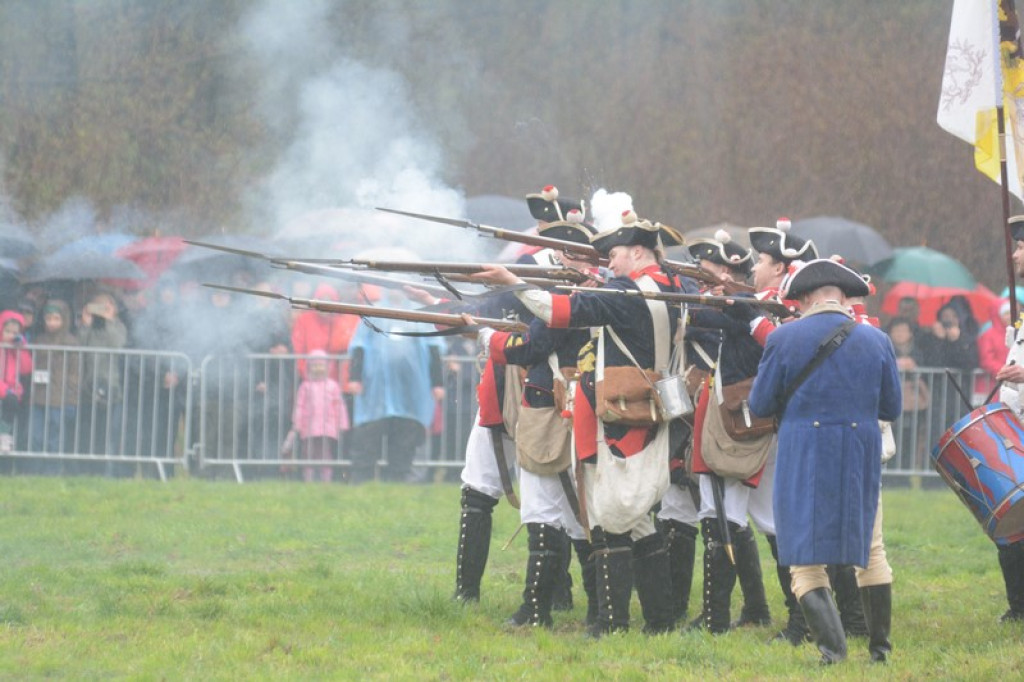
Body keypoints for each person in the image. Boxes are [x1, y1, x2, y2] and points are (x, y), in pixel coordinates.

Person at [471, 206, 692, 636]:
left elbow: (553, 313)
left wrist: (512, 282)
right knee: (640, 518)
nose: (609, 261)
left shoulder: (628, 294)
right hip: (653, 408)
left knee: (608, 520)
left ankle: (610, 623)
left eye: (616, 253)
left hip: (621, 412)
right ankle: (660, 621)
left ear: (639, 252)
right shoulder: (675, 287)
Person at [748, 258, 901, 665]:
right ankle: (880, 653)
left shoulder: (784, 338)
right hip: (859, 452)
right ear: (841, 296)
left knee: (804, 558)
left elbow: (760, 403)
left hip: (803, 453)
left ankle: (833, 654)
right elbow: (892, 405)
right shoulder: (877, 340)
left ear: (808, 297)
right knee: (871, 552)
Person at [475, 209, 597, 628]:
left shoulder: (576, 296)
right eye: (562, 251)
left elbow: (532, 346)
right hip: (582, 408)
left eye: (571, 253)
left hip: (553, 408)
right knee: (576, 510)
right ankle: (596, 610)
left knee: (547, 509)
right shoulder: (599, 291)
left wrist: (486, 337)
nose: (563, 260)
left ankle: (537, 609)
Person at [682, 229, 775, 634]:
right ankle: (743, 611)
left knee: (726, 517)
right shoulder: (741, 307)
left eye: (708, 271)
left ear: (728, 272)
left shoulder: (748, 308)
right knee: (723, 517)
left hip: (737, 423)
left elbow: (702, 317)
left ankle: (717, 619)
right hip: (725, 418)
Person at [345, 286, 445, 484]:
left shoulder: (419, 314)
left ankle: (397, 479)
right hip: (376, 390)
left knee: (405, 435)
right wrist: (355, 377)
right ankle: (360, 480)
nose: (396, 291)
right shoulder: (374, 312)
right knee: (369, 434)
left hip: (412, 390)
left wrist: (437, 382)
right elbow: (359, 346)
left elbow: (434, 348)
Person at [993, 217, 1024, 623]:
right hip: (1014, 428)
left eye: (1020, 247)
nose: (1014, 254)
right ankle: (1018, 607)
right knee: (1009, 522)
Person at [77, 292, 128, 474]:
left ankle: (105, 471)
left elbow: (118, 345)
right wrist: (86, 325)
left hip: (111, 385)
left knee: (107, 433)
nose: (100, 309)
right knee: (87, 432)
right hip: (88, 384)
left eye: (104, 306)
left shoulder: (118, 326)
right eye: (96, 305)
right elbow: (79, 347)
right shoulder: (89, 327)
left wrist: (108, 321)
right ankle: (86, 470)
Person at [28, 299, 80, 470]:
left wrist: (72, 399)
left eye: (56, 319)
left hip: (60, 398)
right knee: (36, 435)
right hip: (39, 395)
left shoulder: (71, 342)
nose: (51, 323)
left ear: (64, 319)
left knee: (55, 436)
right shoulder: (39, 339)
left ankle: (52, 471)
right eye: (48, 318)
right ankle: (35, 470)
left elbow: (75, 373)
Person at [291, 349, 348, 483]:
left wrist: (342, 423)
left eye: (321, 365)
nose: (318, 369)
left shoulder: (333, 386)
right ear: (309, 368)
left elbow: (339, 406)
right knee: (308, 454)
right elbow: (299, 406)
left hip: (327, 429)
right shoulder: (305, 386)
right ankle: (309, 479)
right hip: (308, 427)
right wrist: (297, 424)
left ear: (327, 367)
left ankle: (326, 479)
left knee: (325, 454)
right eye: (315, 365)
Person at [0, 310, 32, 452]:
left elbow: (26, 369)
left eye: (15, 333)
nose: (11, 336)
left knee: (12, 406)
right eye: (7, 331)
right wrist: (4, 390)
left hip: (11, 391)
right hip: (4, 390)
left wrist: (21, 349)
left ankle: (5, 436)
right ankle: (4, 434)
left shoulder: (15, 349)